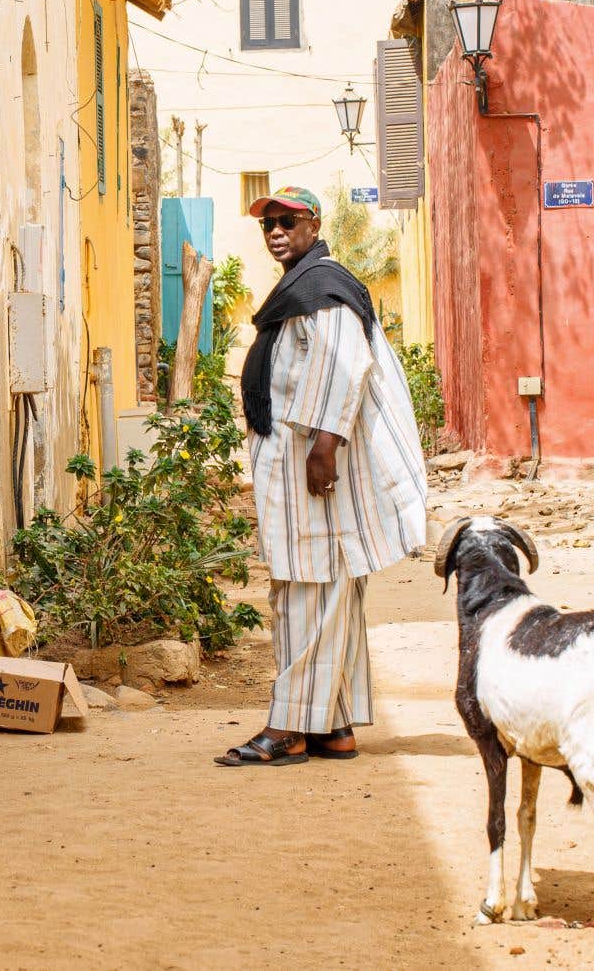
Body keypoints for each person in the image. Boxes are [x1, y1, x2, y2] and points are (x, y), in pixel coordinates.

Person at [216, 187, 428, 766]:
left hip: (313, 464)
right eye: (268, 225)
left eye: (288, 221)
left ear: (314, 225)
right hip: (297, 460)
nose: (276, 232)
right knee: (318, 584)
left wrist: (324, 447)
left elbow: (344, 366)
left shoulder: (323, 289)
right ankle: (332, 725)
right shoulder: (304, 287)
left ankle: (288, 729)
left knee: (309, 586)